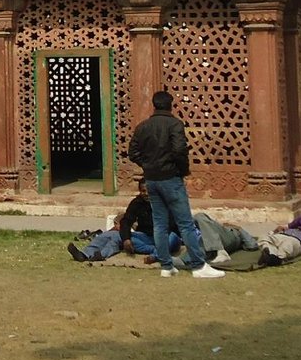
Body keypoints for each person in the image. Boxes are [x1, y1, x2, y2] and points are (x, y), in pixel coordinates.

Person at [128, 89, 225, 279]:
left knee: (160, 224)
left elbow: (133, 152)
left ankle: (166, 266)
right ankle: (198, 265)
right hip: (170, 178)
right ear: (170, 105)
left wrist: (147, 165)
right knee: (186, 224)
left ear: (154, 105)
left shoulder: (142, 127)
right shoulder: (175, 124)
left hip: (152, 180)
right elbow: (180, 149)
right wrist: (181, 169)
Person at [66, 178, 182, 263]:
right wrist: (126, 239)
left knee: (171, 237)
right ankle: (87, 255)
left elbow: (172, 224)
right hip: (146, 239)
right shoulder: (137, 203)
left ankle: (155, 256)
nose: (146, 194)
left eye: (148, 191)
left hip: (166, 238)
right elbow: (126, 221)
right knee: (113, 235)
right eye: (143, 191)